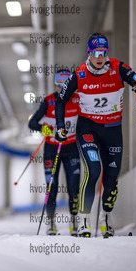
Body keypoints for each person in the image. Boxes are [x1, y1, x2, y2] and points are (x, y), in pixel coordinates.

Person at [54, 33, 136, 238]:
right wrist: (60, 127)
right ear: (89, 53)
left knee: (111, 179)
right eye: (96, 53)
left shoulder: (118, 68)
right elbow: (61, 101)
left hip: (113, 130)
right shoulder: (79, 75)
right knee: (92, 169)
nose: (100, 57)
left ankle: (105, 218)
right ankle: (84, 221)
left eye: (104, 53)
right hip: (87, 129)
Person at [28, 70, 80, 236]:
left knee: (73, 187)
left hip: (71, 148)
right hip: (52, 148)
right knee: (52, 186)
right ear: (56, 85)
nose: (62, 89)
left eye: (66, 86)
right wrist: (45, 129)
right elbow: (32, 122)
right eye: (59, 86)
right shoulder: (49, 101)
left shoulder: (78, 100)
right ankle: (50, 223)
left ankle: (74, 221)